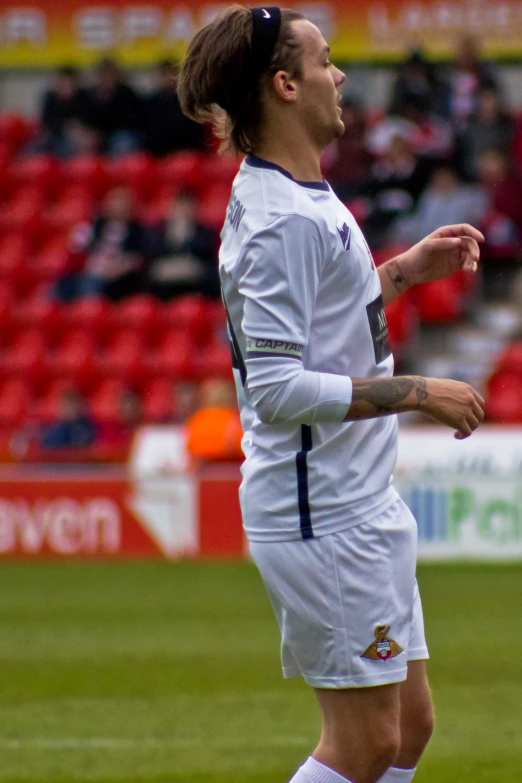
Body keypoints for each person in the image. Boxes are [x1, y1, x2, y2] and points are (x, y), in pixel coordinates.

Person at [179, 7, 485, 783]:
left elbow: (323, 323)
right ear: (285, 85)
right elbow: (279, 389)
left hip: (358, 495)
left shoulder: (300, 195)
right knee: (365, 742)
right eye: (324, 61)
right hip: (323, 512)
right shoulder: (281, 220)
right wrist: (418, 390)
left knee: (409, 726)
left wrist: (404, 272)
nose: (339, 74)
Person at [55, 186, 148, 301]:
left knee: (91, 284)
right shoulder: (94, 226)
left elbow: (139, 259)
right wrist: (89, 262)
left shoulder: (138, 231)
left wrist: (120, 266)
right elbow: (77, 251)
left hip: (117, 279)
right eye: (115, 201)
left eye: (122, 202)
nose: (118, 206)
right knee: (60, 286)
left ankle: (88, 313)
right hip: (92, 270)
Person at [146, 190, 220, 300]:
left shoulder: (205, 231)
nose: (183, 211)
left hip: (194, 283)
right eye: (179, 206)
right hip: (165, 284)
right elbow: (154, 254)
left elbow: (206, 256)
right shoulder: (158, 230)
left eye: (187, 207)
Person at [143, 60, 206, 156]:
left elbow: (193, 131)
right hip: (159, 151)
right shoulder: (152, 101)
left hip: (186, 150)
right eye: (165, 75)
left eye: (171, 74)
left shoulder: (189, 100)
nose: (168, 79)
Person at [80, 58, 143, 155]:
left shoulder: (126, 93)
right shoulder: (90, 94)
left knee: (122, 142)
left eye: (109, 74)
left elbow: (132, 119)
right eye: (102, 74)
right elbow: (87, 118)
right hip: (97, 134)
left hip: (120, 133)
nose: (105, 78)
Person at [185, 378, 243, 460]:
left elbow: (190, 449)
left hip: (202, 469)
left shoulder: (195, 421)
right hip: (231, 468)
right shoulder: (236, 420)